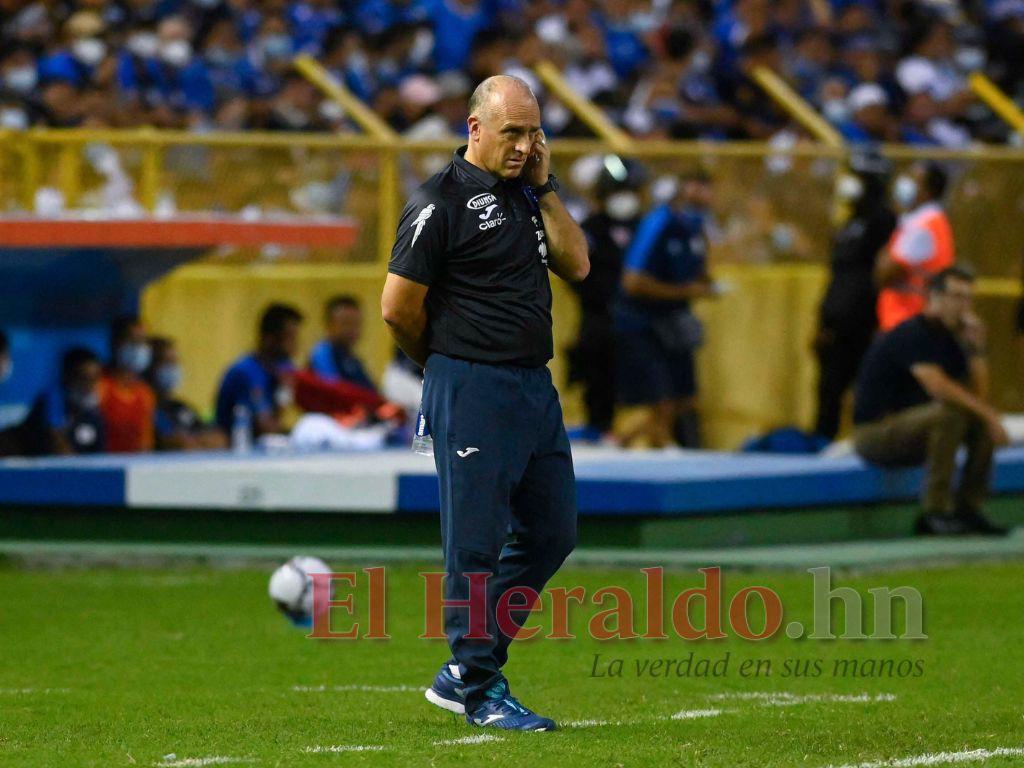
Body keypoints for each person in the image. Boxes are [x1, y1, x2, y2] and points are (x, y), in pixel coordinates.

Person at [381, 75, 588, 732]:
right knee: (474, 544)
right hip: (472, 384)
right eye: (512, 133)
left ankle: (464, 669)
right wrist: (447, 367)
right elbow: (397, 308)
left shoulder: (529, 194)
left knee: (553, 532)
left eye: (534, 133)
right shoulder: (438, 202)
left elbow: (578, 265)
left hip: (533, 385)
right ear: (475, 128)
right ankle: (478, 688)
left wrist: (546, 189)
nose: (525, 146)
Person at [853, 267, 1010, 536]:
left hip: (918, 430)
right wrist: (989, 414)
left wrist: (976, 350)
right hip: (876, 433)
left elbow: (977, 396)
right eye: (956, 296)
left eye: (968, 298)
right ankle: (934, 512)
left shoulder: (952, 341)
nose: (963, 306)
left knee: (974, 420)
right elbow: (938, 386)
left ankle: (968, 509)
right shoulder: (913, 333)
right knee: (951, 414)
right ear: (934, 297)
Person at [614, 171, 717, 448]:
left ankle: (620, 441)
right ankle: (632, 444)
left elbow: (697, 270)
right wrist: (685, 291)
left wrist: (703, 282)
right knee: (662, 403)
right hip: (644, 324)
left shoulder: (696, 228)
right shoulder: (658, 223)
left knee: (685, 399)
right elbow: (632, 282)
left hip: (673, 323)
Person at [813, 151, 897, 440]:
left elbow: (880, 276)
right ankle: (822, 447)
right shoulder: (849, 222)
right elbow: (837, 276)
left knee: (868, 391)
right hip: (837, 320)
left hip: (865, 320)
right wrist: (824, 320)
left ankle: (867, 445)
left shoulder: (884, 221)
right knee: (828, 389)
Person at [567, 156, 643, 439]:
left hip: (640, 317)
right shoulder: (590, 228)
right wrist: (604, 297)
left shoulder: (645, 226)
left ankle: (645, 430)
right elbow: (577, 273)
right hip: (600, 317)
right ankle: (599, 426)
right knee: (597, 370)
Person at [875, 161, 954, 332]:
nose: (906, 184)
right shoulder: (930, 220)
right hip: (908, 321)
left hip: (905, 320)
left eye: (914, 180)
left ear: (927, 191)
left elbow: (884, 274)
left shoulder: (921, 226)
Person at [215, 303, 303, 441]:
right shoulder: (245, 372)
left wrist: (284, 393)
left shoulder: (283, 368)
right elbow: (265, 428)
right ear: (269, 339)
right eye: (290, 337)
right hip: (233, 447)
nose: (296, 344)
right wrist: (285, 391)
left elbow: (276, 418)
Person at [18, 347, 106, 456]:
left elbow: (98, 456)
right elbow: (58, 447)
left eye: (95, 378)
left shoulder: (93, 415)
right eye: (84, 378)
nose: (90, 387)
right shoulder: (51, 402)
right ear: (66, 377)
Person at [146, 337, 227, 451]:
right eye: (167, 363)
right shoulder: (148, 408)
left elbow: (220, 439)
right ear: (151, 366)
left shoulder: (179, 407)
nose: (173, 368)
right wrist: (198, 443)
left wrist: (195, 442)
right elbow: (175, 443)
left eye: (175, 362)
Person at [99, 315, 157, 453]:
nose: (140, 348)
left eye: (143, 341)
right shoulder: (100, 386)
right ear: (116, 344)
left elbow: (146, 444)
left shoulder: (145, 393)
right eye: (133, 341)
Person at [307, 295, 377, 392]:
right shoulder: (322, 355)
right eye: (346, 323)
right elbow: (334, 390)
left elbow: (370, 391)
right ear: (329, 325)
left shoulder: (352, 359)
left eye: (356, 324)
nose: (353, 330)